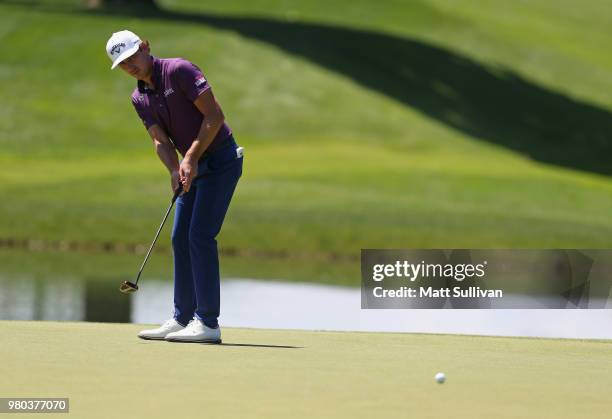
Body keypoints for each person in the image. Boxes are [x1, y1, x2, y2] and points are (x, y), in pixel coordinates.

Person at [105, 30, 243, 343]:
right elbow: (159, 140)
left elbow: (215, 116)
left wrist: (190, 158)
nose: (130, 67)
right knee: (180, 236)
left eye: (131, 58)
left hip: (221, 161)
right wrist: (173, 169)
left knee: (200, 235)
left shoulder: (179, 70)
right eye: (122, 64)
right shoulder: (139, 98)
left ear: (145, 47)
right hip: (189, 168)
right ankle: (182, 318)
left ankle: (207, 323)